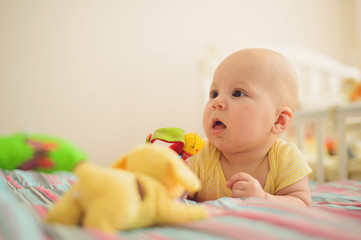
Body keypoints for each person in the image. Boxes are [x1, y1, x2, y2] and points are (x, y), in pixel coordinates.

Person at [186, 48, 312, 206]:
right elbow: (177, 197)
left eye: (237, 93)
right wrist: (172, 183)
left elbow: (302, 204)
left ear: (278, 120)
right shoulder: (198, 155)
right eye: (214, 94)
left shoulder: (286, 158)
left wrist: (264, 199)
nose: (217, 102)